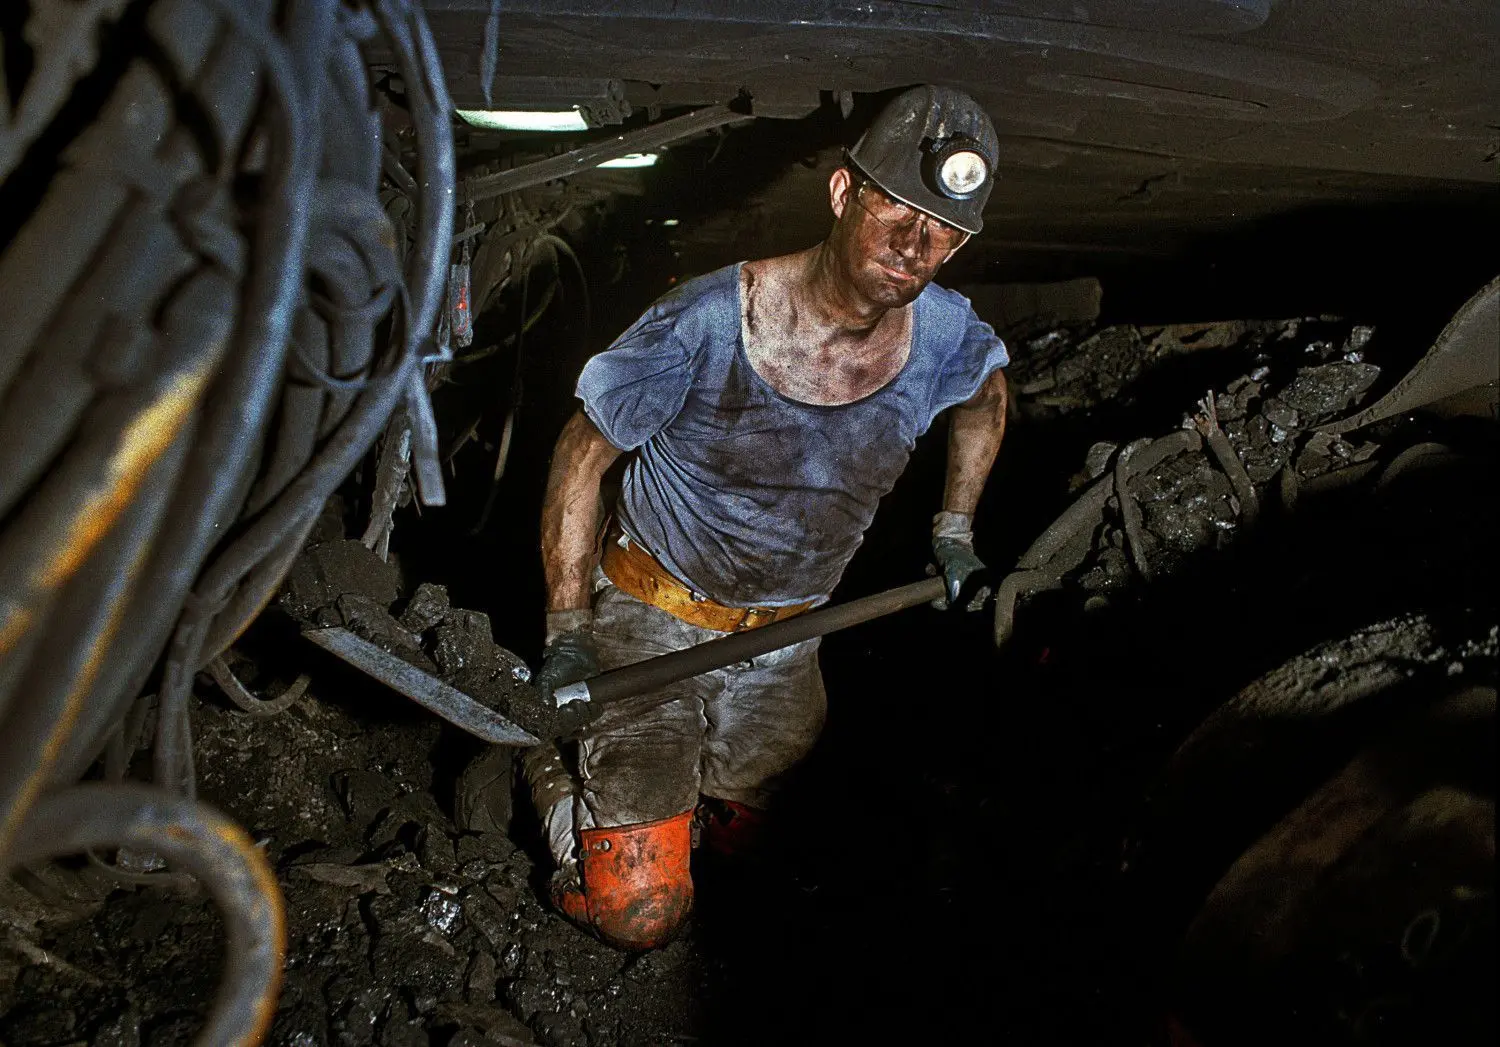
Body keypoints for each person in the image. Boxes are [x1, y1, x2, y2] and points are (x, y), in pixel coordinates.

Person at [513, 85, 1009, 949]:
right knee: (643, 912)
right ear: (843, 193)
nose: (911, 245)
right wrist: (567, 626)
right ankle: (548, 773)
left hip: (787, 647)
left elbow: (987, 401)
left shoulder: (946, 339)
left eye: (939, 231)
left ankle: (676, 806)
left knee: (788, 882)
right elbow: (580, 453)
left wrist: (953, 530)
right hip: (652, 627)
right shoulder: (707, 321)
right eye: (895, 207)